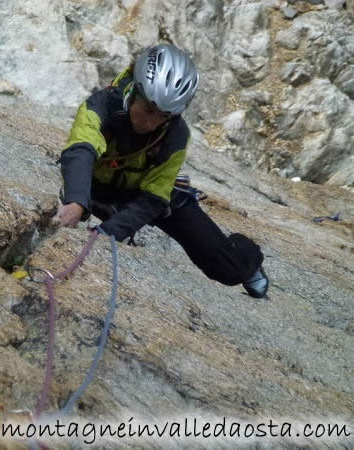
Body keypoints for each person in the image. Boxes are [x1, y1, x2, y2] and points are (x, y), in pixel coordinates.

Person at [57, 43, 269, 298]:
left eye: (162, 116)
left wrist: (107, 233)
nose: (150, 122)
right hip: (101, 184)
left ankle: (250, 261)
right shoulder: (101, 105)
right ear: (135, 91)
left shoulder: (176, 136)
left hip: (151, 192)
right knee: (79, 194)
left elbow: (154, 199)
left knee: (226, 268)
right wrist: (77, 200)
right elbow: (81, 149)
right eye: (148, 109)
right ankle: (103, 206)